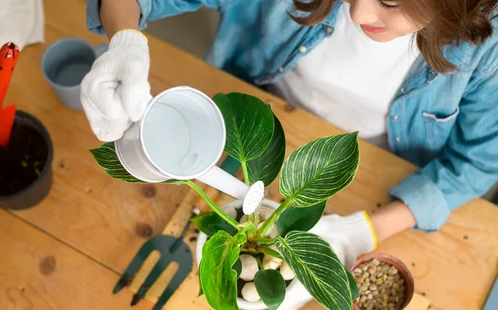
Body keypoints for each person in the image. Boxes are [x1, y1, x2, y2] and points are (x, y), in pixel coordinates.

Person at [80, 0, 498, 266]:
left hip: (379, 174)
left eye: (389, 1)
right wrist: (125, 39)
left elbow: (478, 162)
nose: (358, 13)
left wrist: (366, 231)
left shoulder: (486, 39)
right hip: (248, 124)